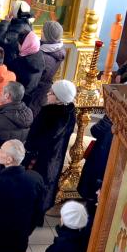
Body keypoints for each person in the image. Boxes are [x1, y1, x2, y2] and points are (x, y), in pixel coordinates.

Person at [26, 79, 77, 214]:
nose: (48, 94)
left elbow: (36, 139)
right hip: (55, 159)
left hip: (41, 159)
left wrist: (28, 147)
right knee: (45, 190)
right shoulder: (70, 112)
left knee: (34, 190)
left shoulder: (50, 113)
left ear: (59, 98)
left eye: (52, 93)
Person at [30, 20, 66, 115]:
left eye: (43, 31)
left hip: (36, 92)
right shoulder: (58, 49)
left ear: (47, 36)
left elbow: (32, 78)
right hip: (44, 88)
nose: (41, 32)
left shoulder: (43, 58)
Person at [9, 31, 45, 107]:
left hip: (18, 99)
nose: (17, 45)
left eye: (19, 44)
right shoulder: (40, 55)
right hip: (31, 99)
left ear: (25, 45)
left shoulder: (19, 63)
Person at [0, 0, 34, 66]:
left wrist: (5, 22)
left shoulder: (20, 27)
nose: (10, 11)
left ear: (16, 12)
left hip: (8, 62)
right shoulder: (25, 24)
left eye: (12, 9)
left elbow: (1, 41)